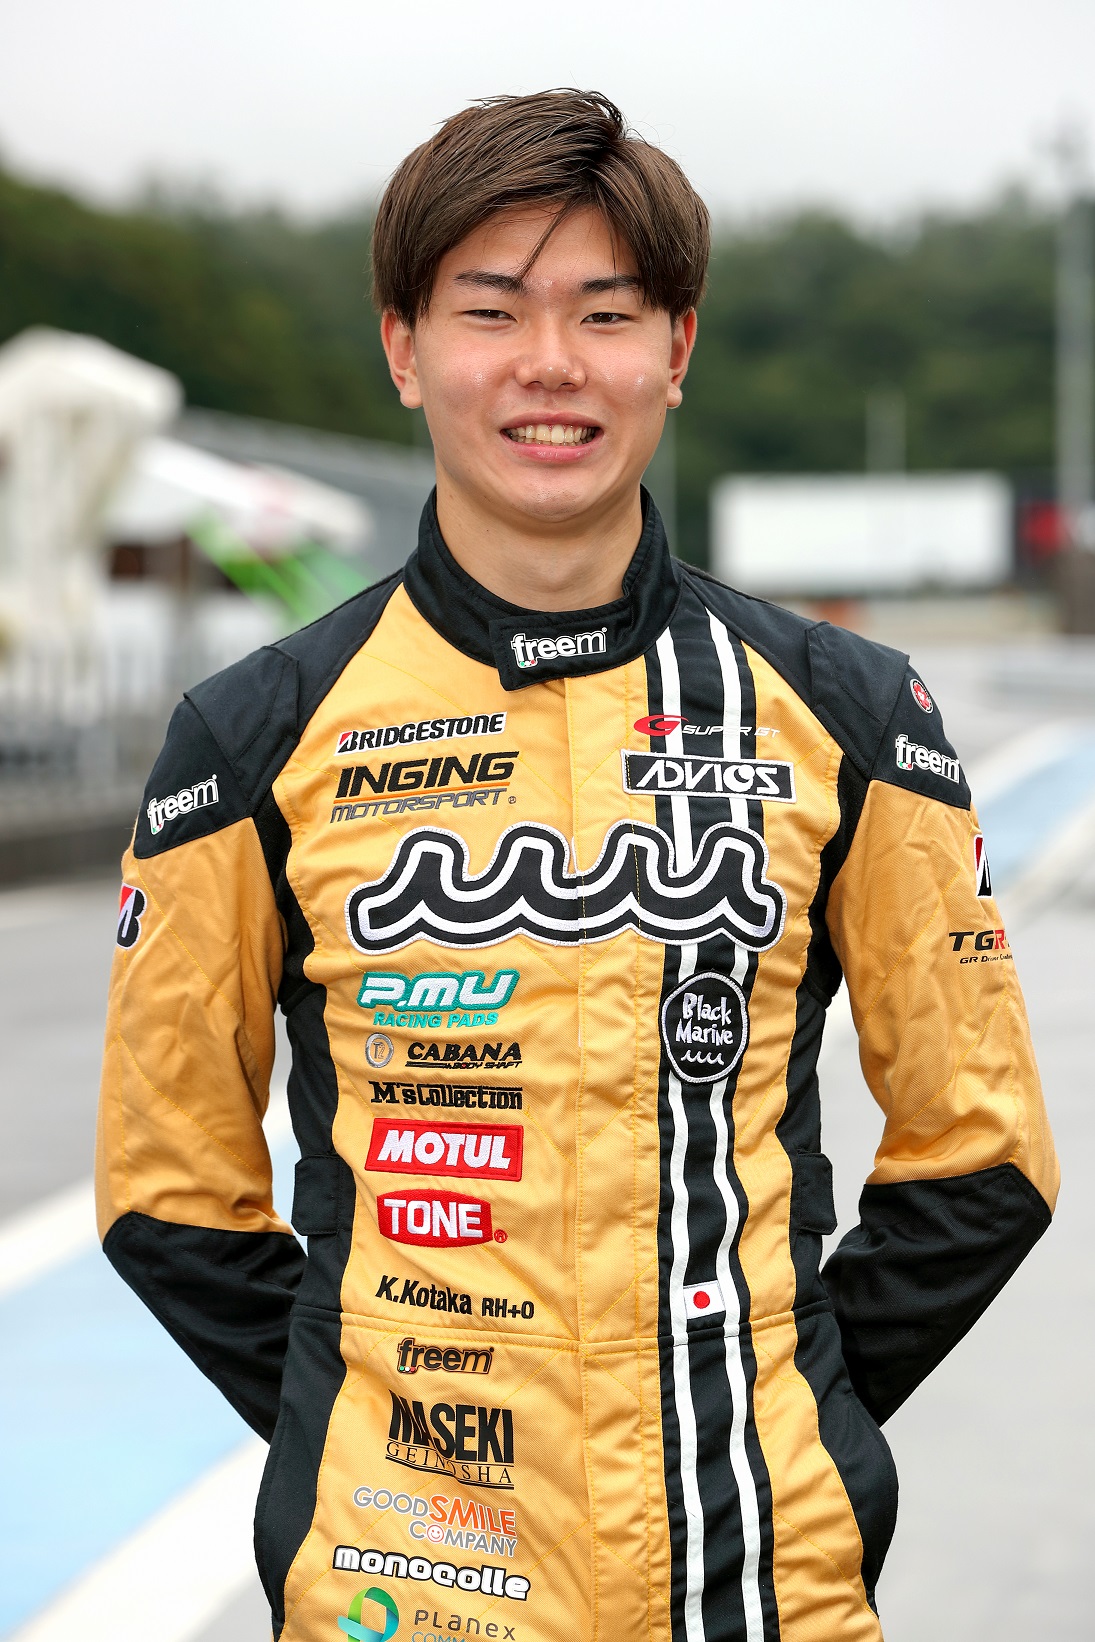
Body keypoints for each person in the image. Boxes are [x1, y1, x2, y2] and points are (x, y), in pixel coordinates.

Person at [96, 89, 1058, 1642]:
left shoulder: (851, 713)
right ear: (405, 348)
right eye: (491, 310)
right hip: (400, 1587)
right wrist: (375, 1427)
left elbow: (983, 1158)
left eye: (605, 313)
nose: (550, 363)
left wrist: (796, 1399)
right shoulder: (254, 734)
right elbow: (167, 1191)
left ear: (677, 349)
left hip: (767, 1580)